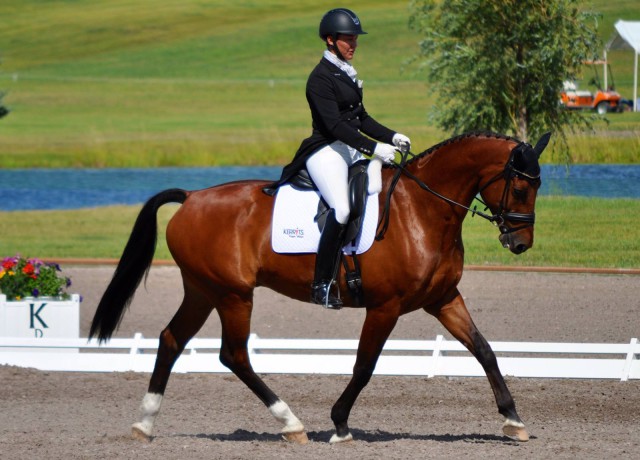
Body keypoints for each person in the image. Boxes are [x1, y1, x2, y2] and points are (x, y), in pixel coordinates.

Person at [265, 8, 411, 308]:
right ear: (330, 40)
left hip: (349, 148)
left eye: (355, 39)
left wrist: (392, 136)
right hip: (325, 150)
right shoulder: (319, 78)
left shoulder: (345, 73)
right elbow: (335, 126)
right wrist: (373, 148)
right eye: (347, 40)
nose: (353, 44)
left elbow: (361, 119)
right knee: (342, 209)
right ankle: (321, 283)